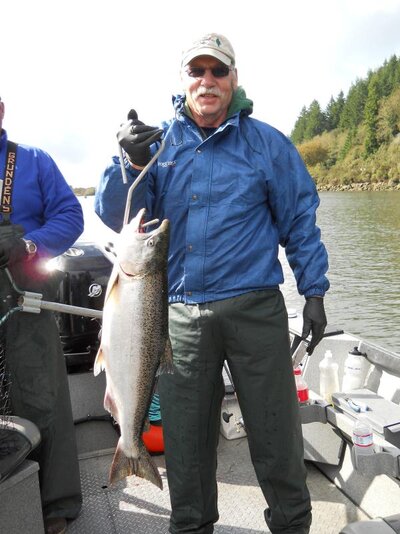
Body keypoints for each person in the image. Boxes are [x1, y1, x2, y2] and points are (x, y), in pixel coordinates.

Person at [95, 33, 329, 534]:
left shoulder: (267, 143)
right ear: (183, 81)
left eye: (218, 71)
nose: (207, 81)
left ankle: (292, 526)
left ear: (233, 79)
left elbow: (300, 223)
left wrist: (314, 292)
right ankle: (191, 527)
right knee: (186, 446)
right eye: (197, 71)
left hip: (255, 309)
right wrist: (128, 163)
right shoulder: (159, 148)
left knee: (276, 437)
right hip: (177, 313)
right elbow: (118, 213)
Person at [0, 96, 83, 534]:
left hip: (23, 298)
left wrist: (28, 244)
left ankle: (56, 504)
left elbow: (71, 215)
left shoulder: (33, 161)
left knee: (42, 395)